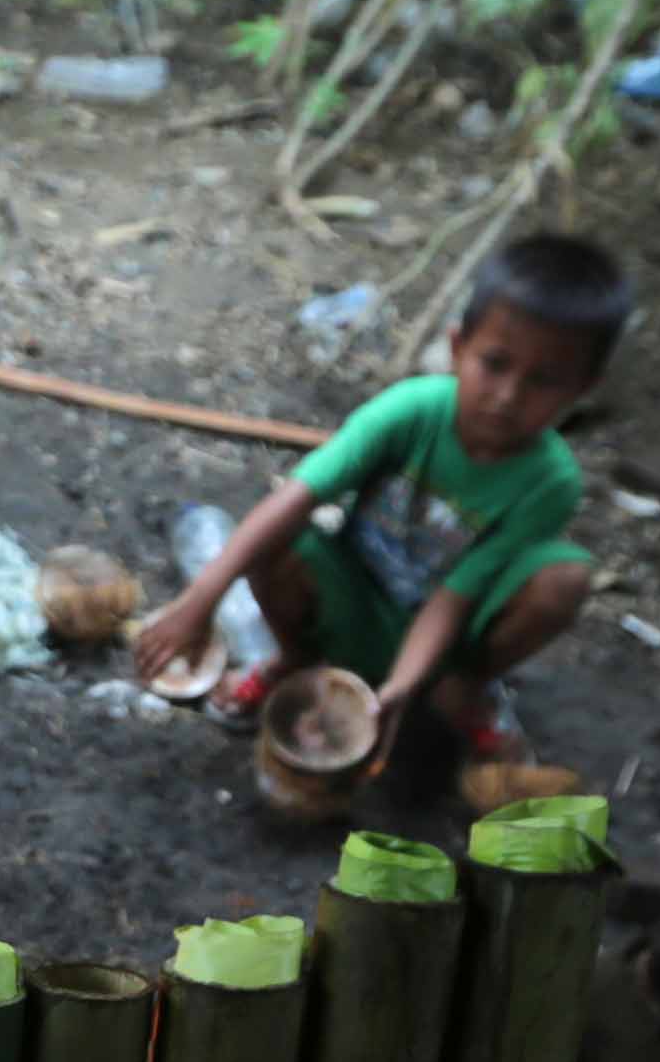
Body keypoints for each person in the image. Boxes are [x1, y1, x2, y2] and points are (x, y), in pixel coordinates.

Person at [134, 234, 628, 792]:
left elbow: (454, 598)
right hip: (354, 592)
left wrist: (398, 689)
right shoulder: (412, 410)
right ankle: (292, 660)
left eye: (543, 380)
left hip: (444, 636)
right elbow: (296, 497)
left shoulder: (551, 483)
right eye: (494, 364)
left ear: (583, 389)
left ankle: (461, 689)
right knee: (282, 535)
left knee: (563, 578)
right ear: (458, 347)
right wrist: (199, 603)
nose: (508, 395)